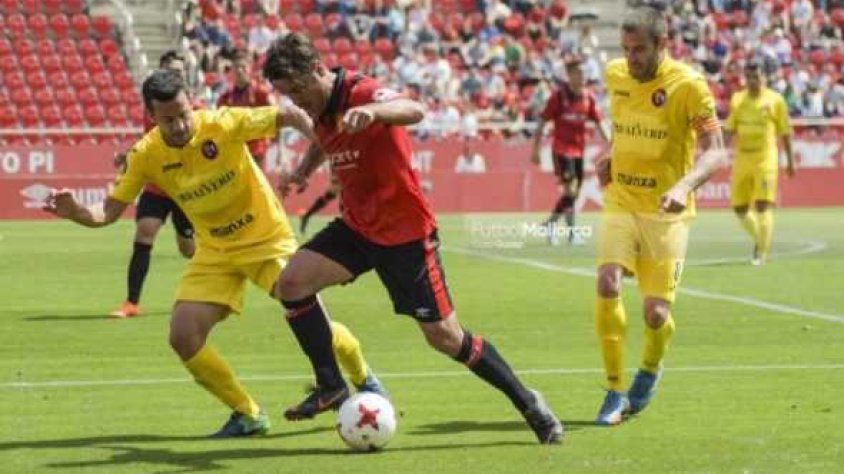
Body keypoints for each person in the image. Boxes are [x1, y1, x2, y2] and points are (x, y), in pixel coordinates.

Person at [43, 68, 384, 437]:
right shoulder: (145, 154)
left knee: (312, 322)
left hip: (266, 239)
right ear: (151, 116)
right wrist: (76, 212)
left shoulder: (222, 123)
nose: (179, 125)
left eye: (183, 114)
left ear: (192, 104)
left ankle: (363, 377)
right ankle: (248, 414)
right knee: (183, 336)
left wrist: (324, 145)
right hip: (215, 251)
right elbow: (108, 212)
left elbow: (288, 114)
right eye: (168, 119)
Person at [262, 33, 564, 444]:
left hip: (405, 234)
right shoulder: (319, 109)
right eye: (289, 95)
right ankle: (330, 383)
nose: (298, 102)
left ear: (318, 69)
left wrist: (373, 112)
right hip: (357, 227)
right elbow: (322, 139)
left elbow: (414, 109)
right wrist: (302, 171)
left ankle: (528, 402)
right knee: (292, 283)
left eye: (299, 90)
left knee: (445, 337)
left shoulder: (360, 92)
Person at [592, 5, 727, 426]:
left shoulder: (689, 86)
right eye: (626, 49)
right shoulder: (615, 74)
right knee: (607, 280)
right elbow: (623, 127)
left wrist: (684, 186)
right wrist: (610, 154)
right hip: (621, 200)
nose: (630, 58)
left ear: (662, 44)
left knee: (656, 315)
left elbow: (717, 151)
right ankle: (613, 390)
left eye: (639, 50)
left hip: (666, 213)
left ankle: (649, 371)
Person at [111, 50, 197, 319]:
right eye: (170, 71)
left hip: (185, 188)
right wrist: (129, 156)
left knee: (188, 248)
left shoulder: (195, 110)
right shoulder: (153, 110)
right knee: (144, 232)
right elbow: (148, 144)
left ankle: (206, 288)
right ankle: (131, 302)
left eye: (179, 71)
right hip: (157, 185)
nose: (175, 75)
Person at [531, 55, 609, 246]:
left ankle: (551, 224)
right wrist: (535, 150)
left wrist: (613, 143)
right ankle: (572, 234)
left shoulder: (588, 98)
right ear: (570, 75)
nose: (583, 76)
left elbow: (600, 123)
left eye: (584, 73)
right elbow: (542, 122)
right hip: (561, 150)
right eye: (579, 73)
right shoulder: (558, 96)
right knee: (571, 189)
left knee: (573, 193)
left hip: (579, 152)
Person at [724, 60, 795, 266]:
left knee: (762, 205)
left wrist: (790, 162)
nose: (752, 81)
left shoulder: (775, 100)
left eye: (756, 76)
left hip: (765, 158)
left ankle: (760, 253)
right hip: (742, 158)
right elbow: (730, 128)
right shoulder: (737, 99)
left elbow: (785, 132)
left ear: (764, 77)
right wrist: (719, 150)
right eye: (749, 77)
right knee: (739, 208)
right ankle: (760, 238)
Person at [217, 48, 275, 169]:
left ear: (250, 69)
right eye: (236, 67)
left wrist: (272, 140)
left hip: (257, 149)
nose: (239, 70)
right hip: (236, 150)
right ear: (232, 70)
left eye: (243, 67)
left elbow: (275, 114)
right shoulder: (225, 98)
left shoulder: (261, 92)